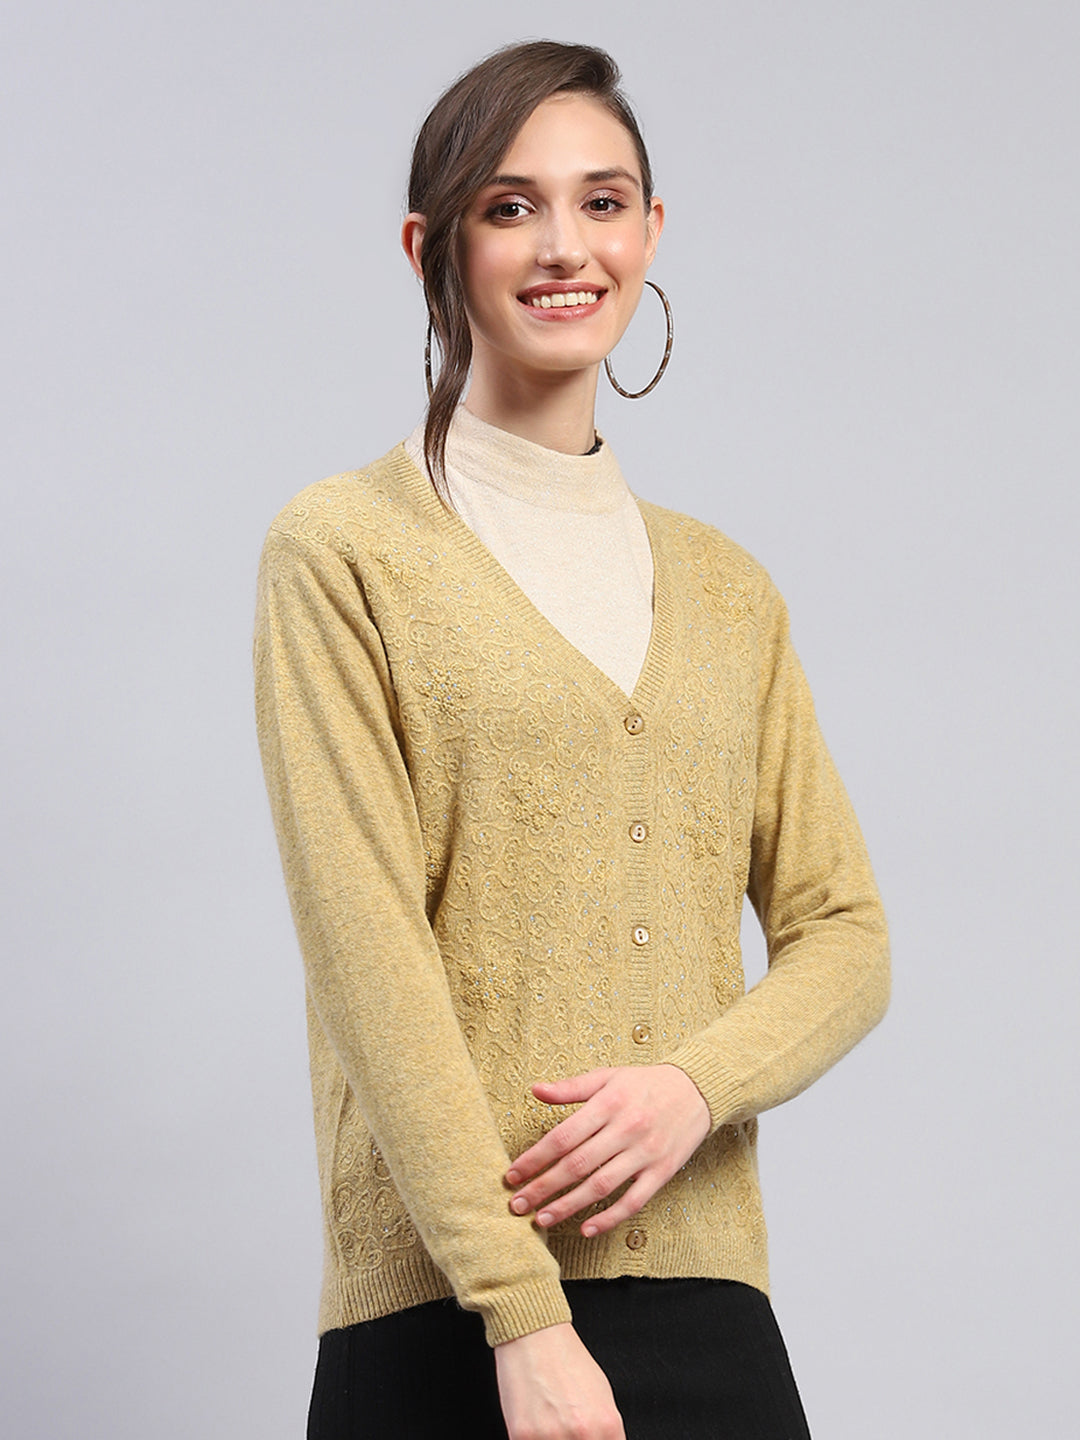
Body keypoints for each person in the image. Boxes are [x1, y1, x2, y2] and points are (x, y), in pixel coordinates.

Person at [253, 39, 890, 1440]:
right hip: (450, 1318)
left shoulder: (728, 590)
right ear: (431, 248)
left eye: (602, 203)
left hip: (710, 1302)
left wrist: (693, 1090)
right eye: (509, 207)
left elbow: (846, 932)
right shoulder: (344, 552)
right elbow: (367, 950)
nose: (564, 247)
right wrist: (521, 1312)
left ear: (650, 233)